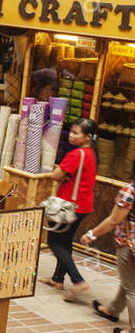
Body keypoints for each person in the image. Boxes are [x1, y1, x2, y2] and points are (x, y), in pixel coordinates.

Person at [44, 119, 98, 301]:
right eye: (71, 132)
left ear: (88, 137)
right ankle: (58, 279)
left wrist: (61, 173)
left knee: (54, 242)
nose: (71, 135)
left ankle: (78, 280)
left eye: (76, 133)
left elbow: (55, 176)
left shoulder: (76, 154)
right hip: (83, 205)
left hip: (68, 206)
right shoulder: (92, 153)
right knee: (65, 242)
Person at [82, 163, 135, 333]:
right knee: (128, 280)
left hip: (129, 246)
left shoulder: (130, 191)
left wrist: (91, 234)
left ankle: (133, 330)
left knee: (132, 288)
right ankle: (112, 310)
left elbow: (114, 220)